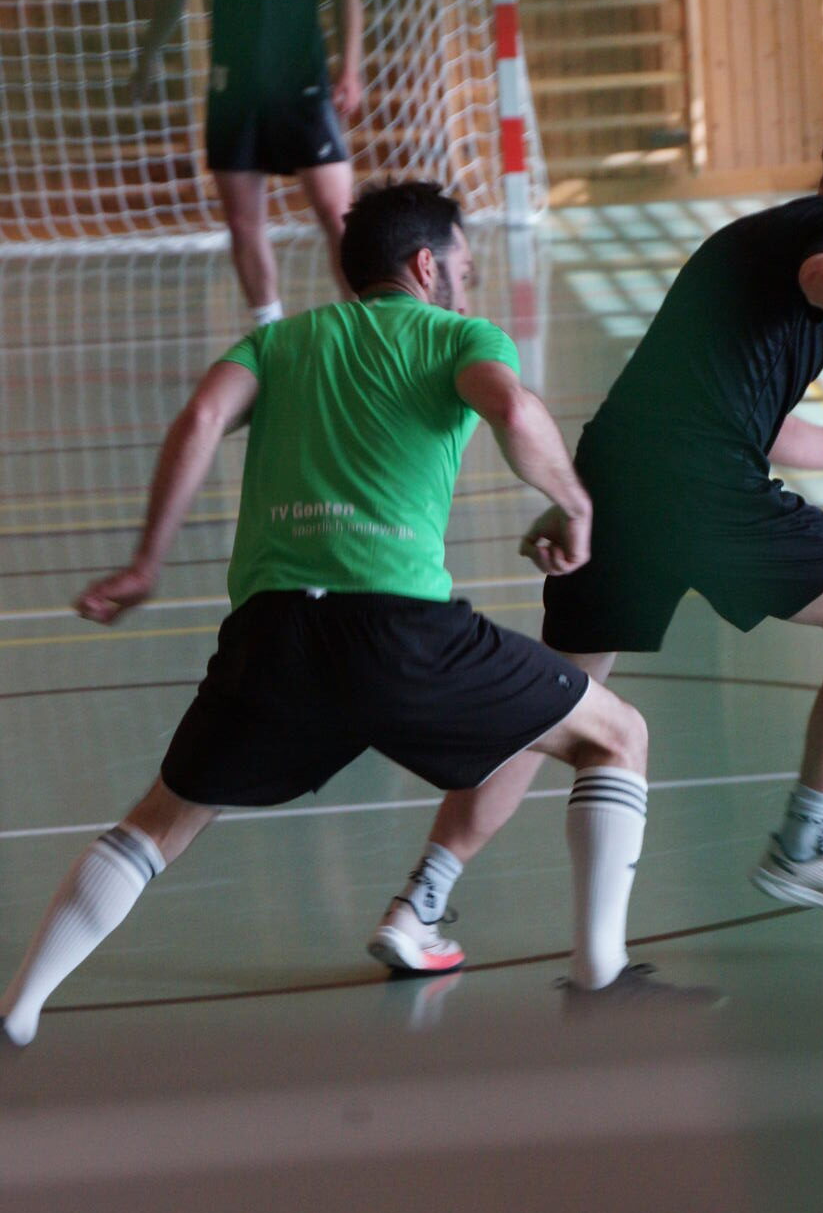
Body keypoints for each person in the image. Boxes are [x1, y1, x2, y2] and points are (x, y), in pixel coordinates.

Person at [0, 182, 657, 1049]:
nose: (468, 287)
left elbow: (201, 418)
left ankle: (17, 1009)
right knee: (616, 735)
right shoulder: (456, 337)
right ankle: (600, 976)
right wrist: (572, 501)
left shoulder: (278, 343)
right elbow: (511, 405)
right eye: (464, 269)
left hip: (272, 637)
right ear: (426, 267)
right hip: (401, 634)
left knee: (159, 821)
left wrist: (146, 561)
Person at [371, 96, 823, 955]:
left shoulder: (761, 238)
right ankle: (806, 843)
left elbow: (761, 423)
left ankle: (421, 899)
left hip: (619, 478)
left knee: (552, 698)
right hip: (698, 484)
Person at [129, 0, 363, 324]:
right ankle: (267, 329)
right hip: (232, 90)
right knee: (241, 221)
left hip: (301, 86)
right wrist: (149, 54)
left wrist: (349, 69)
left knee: (338, 213)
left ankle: (365, 324)